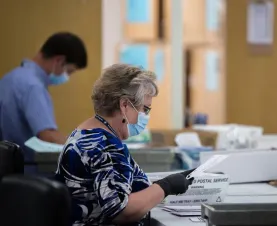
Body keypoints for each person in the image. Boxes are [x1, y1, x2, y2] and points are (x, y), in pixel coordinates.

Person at [55, 64, 193, 226]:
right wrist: (166, 186)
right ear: (125, 105)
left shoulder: (84, 132)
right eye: (145, 109)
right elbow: (121, 211)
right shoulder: (105, 144)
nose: (145, 116)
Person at [0, 32, 88, 168]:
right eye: (69, 71)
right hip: (28, 174)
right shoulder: (33, 86)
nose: (67, 77)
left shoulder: (10, 78)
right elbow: (48, 135)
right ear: (59, 61)